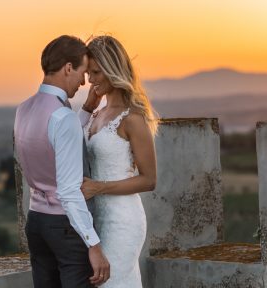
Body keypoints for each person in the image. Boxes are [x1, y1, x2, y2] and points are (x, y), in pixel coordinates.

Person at [14, 35, 110, 288]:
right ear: (68, 68)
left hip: (36, 223)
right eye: (82, 72)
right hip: (65, 228)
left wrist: (87, 110)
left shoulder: (23, 109)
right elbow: (68, 190)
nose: (84, 81)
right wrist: (94, 244)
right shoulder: (62, 116)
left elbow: (54, 142)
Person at [79, 35, 158, 287]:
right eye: (89, 72)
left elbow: (149, 180)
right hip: (95, 220)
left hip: (123, 221)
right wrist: (87, 108)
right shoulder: (96, 114)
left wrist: (99, 187)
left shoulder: (133, 119)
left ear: (112, 69)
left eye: (96, 72)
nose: (90, 80)